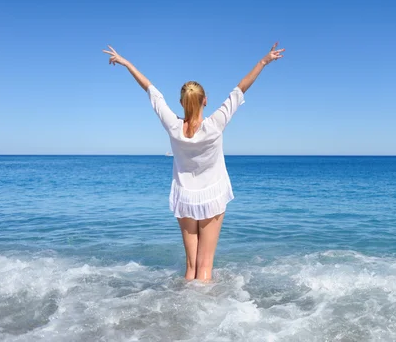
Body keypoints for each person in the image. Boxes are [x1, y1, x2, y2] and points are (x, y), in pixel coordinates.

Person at [102, 43, 285, 281]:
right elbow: (240, 90)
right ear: (205, 101)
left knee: (191, 267)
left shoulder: (173, 126)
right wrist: (263, 61)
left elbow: (151, 91)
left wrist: (126, 63)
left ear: (181, 103)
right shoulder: (215, 124)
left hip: (184, 197)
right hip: (211, 195)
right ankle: (202, 316)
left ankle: (182, 312)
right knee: (205, 266)